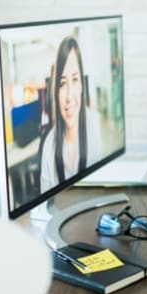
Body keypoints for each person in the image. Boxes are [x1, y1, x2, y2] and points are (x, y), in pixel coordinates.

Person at [40, 36, 99, 193]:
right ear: (55, 91)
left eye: (74, 80)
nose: (68, 96)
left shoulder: (94, 126)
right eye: (62, 83)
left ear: (81, 85)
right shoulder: (49, 148)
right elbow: (44, 207)